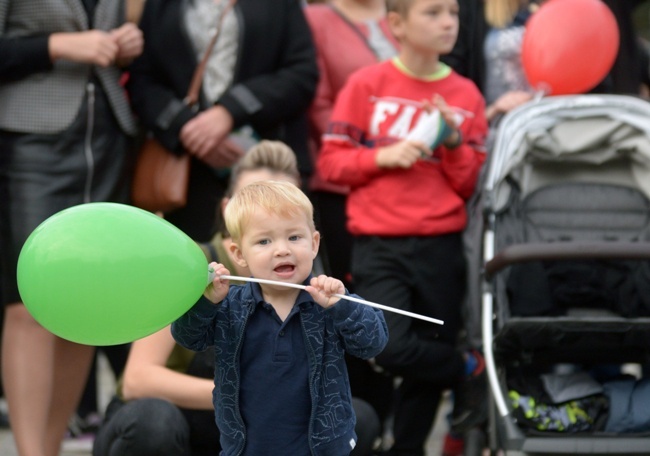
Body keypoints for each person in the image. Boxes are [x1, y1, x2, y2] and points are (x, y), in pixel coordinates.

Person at [316, 0, 489, 454]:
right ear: (397, 23)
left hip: (442, 245)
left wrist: (451, 142)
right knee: (389, 348)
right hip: (379, 244)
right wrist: (381, 156)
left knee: (422, 370)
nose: (448, 22)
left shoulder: (467, 93)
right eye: (432, 13)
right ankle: (469, 367)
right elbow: (330, 163)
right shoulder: (366, 84)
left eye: (452, 12)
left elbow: (470, 181)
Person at [0, 2, 143, 455]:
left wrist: (127, 44)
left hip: (107, 137)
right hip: (30, 141)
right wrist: (57, 45)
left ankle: (50, 446)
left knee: (84, 305)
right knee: (30, 302)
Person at [171, 180, 389, 455]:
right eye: (264, 241)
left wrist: (343, 306)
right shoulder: (231, 306)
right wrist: (207, 303)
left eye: (294, 237)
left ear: (314, 243)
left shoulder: (329, 301)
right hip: (247, 448)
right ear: (239, 254)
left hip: (319, 449)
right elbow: (187, 336)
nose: (282, 250)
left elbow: (374, 342)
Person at [126, 0, 319, 243]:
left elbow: (302, 73)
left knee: (276, 266)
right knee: (200, 271)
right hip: (190, 174)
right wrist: (186, 127)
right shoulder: (161, 4)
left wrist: (230, 110)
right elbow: (142, 80)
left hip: (268, 160)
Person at [304, 0, 399, 438]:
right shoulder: (318, 18)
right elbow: (320, 105)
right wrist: (380, 155)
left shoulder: (406, 13)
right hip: (345, 189)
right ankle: (362, 420)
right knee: (352, 301)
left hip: (408, 190)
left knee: (394, 315)